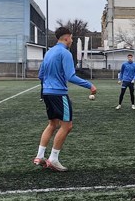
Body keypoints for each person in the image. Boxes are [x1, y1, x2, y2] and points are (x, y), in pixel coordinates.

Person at [35, 27, 97, 172]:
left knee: (52, 124)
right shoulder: (65, 53)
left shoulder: (49, 52)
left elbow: (40, 75)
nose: (72, 40)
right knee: (67, 126)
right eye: (71, 38)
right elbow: (70, 76)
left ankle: (40, 156)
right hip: (58, 93)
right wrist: (90, 85)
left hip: (47, 92)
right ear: (66, 37)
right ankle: (53, 159)